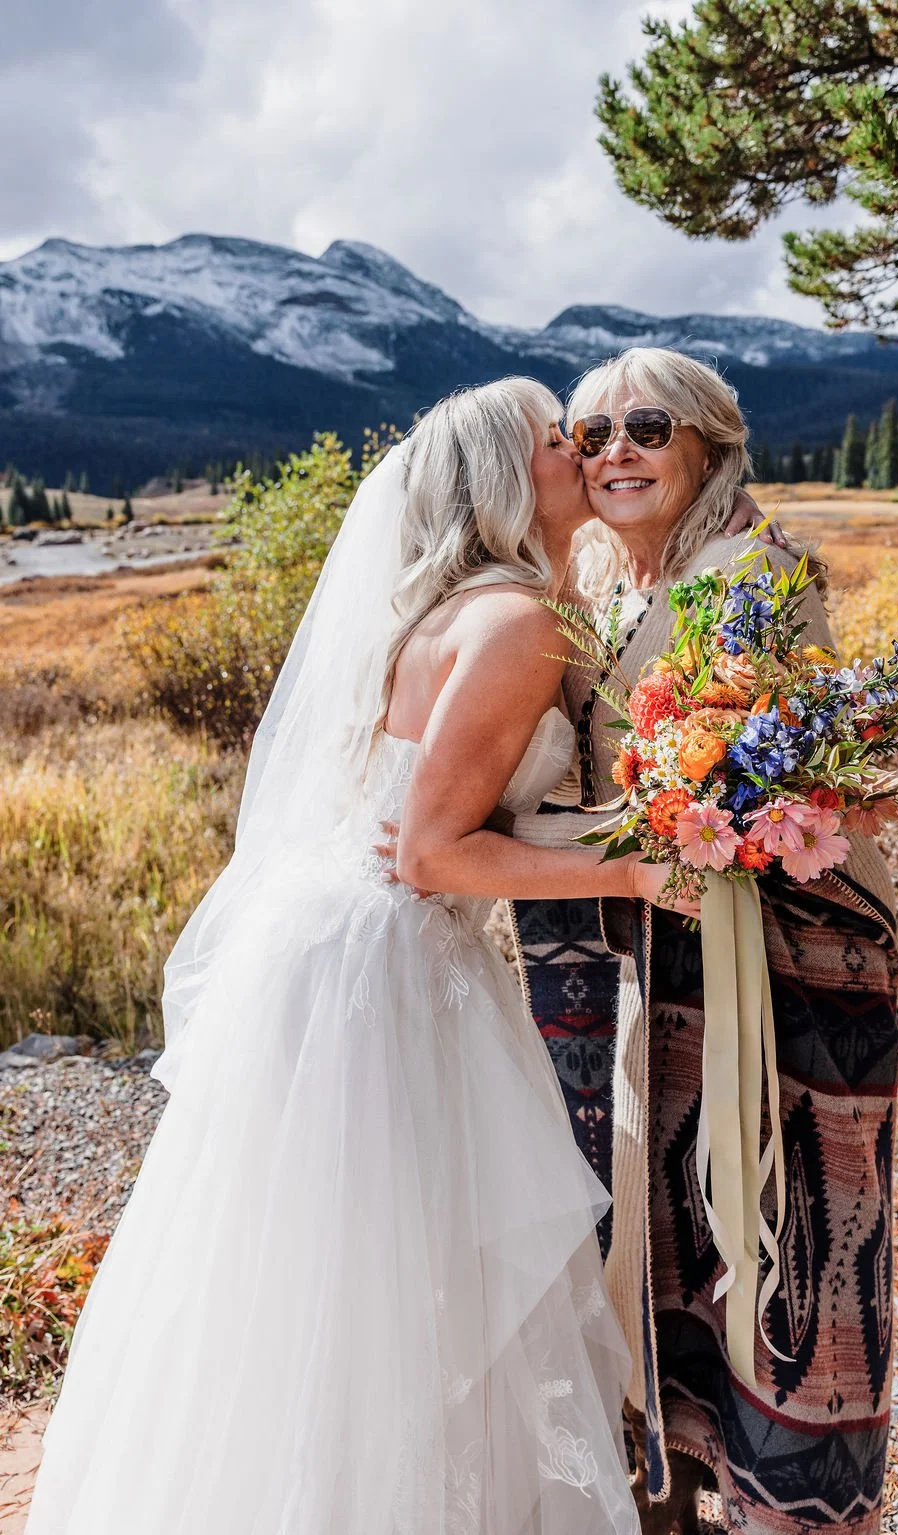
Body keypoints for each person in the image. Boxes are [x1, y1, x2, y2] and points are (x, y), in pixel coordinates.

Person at [25, 378, 692, 1535]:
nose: (584, 451)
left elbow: (441, 821)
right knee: (378, 1280)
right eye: (559, 438)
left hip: (341, 947)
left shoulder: (466, 608)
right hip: (383, 967)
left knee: (333, 1277)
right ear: (499, 477)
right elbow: (435, 851)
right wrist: (636, 870)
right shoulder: (520, 619)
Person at [509, 348, 898, 1535]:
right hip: (656, 961)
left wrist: (693, 819)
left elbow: (836, 791)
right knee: (662, 1233)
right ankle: (674, 1489)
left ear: (705, 444)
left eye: (645, 426)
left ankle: (795, 1502)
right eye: (591, 435)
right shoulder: (594, 577)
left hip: (784, 980)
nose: (614, 450)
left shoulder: (752, 576)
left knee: (787, 1238)